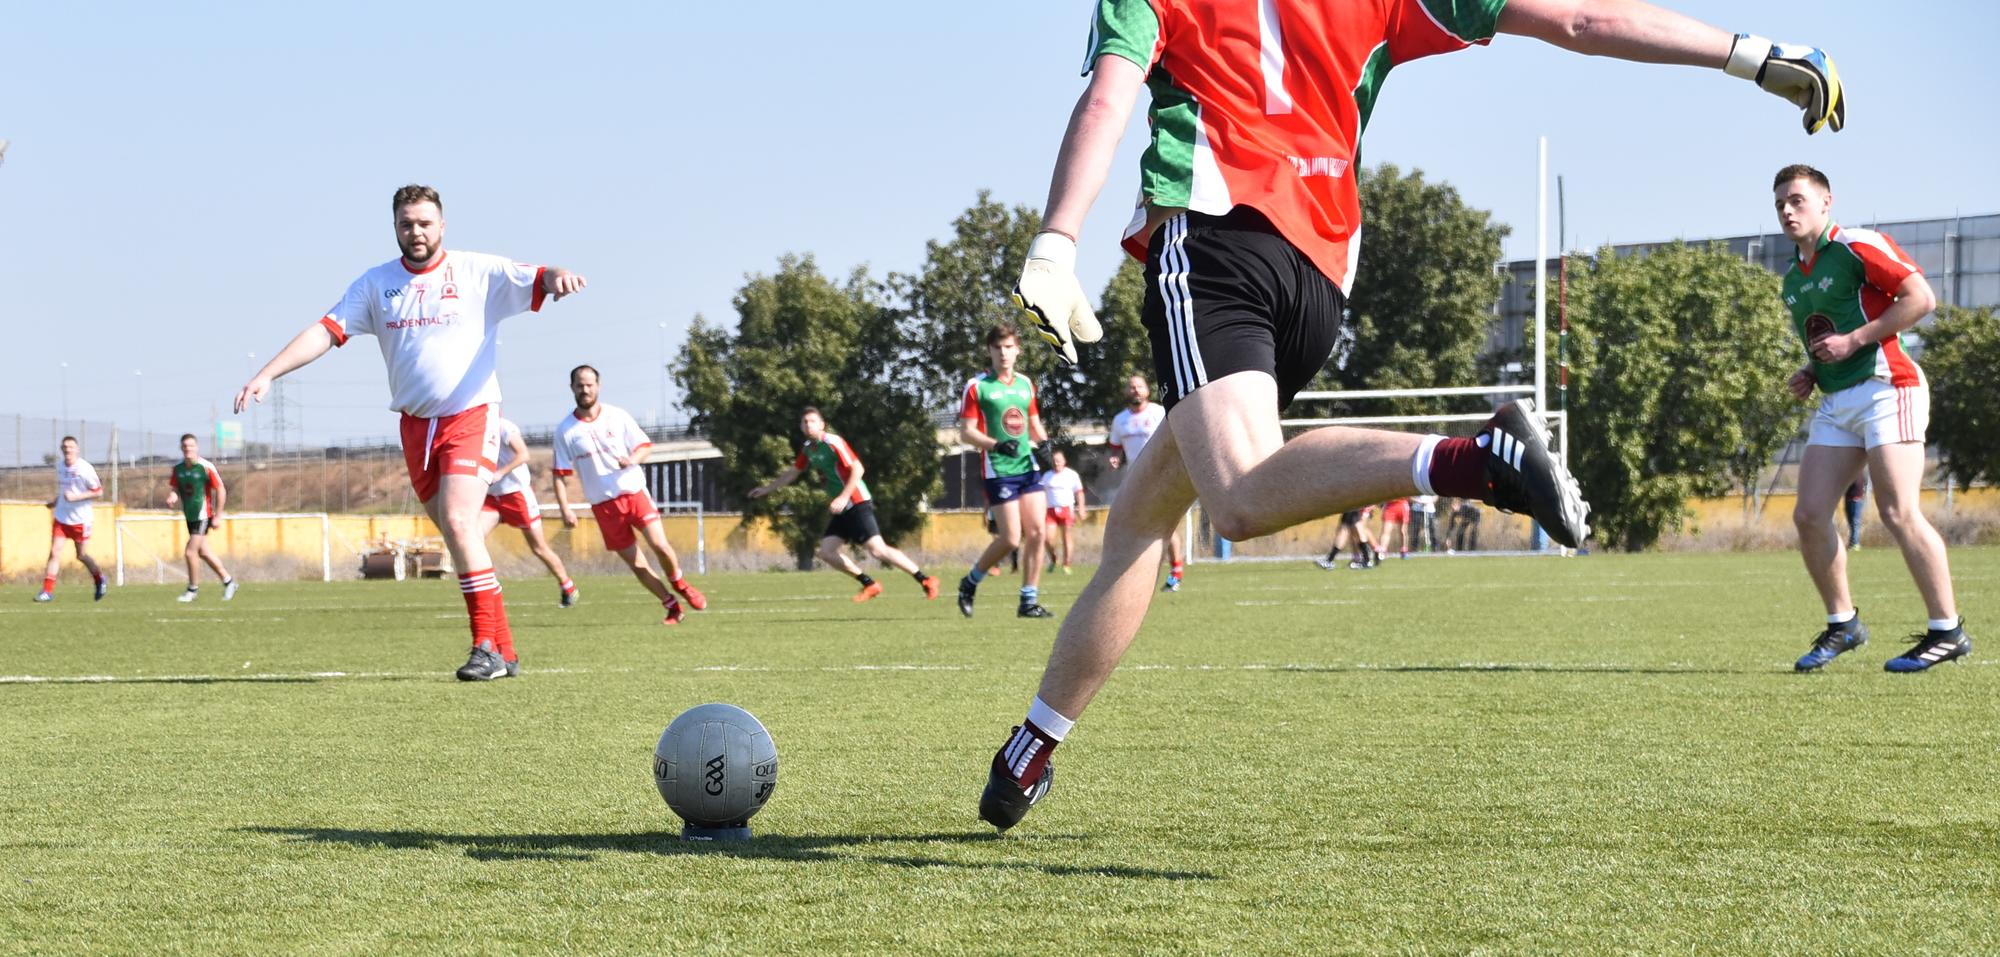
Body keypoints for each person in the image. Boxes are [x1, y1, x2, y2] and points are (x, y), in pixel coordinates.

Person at [981, 0, 1842, 830]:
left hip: (1213, 243)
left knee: (1239, 496)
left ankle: (1475, 460)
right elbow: (1582, 18)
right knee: (1142, 511)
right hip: (1317, 279)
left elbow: (1108, 93)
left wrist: (1058, 240)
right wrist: (1752, 55)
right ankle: (1034, 744)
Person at [234, 184, 587, 681]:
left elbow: (537, 275)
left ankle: (485, 645)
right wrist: (268, 373)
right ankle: (505, 650)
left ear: (442, 225)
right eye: (406, 224)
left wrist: (559, 276)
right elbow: (325, 330)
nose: (416, 232)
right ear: (395, 227)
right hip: (415, 428)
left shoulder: (474, 271)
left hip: (471, 414)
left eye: (424, 223)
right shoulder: (377, 284)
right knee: (458, 535)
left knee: (462, 524)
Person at [1775, 165, 1966, 673]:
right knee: (1809, 514)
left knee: (1898, 511)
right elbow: (1830, 338)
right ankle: (1844, 625)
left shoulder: (1857, 245)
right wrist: (1811, 370)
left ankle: (1947, 630)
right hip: (1838, 403)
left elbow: (1921, 299)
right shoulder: (1794, 279)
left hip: (1889, 388)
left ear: (1826, 202)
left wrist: (1855, 342)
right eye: (1780, 205)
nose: (1788, 211)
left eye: (1797, 200)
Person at [552, 365, 707, 625]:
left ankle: (680, 583)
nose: (585, 389)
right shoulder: (566, 430)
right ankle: (671, 606)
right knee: (637, 565)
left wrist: (631, 459)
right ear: (572, 388)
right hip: (604, 506)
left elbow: (645, 446)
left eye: (589, 384)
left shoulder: (616, 416)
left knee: (660, 545)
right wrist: (565, 508)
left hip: (633, 493)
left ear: (598, 386)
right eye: (580, 385)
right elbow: (559, 473)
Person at [748, 406, 940, 602]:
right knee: (826, 552)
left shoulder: (833, 442)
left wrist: (843, 497)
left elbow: (858, 469)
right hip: (842, 508)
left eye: (812, 421)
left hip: (856, 500)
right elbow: (793, 472)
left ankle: (926, 580)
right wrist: (767, 489)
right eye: (804, 422)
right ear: (800, 426)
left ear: (822, 425)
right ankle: (869, 584)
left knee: (878, 550)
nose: (808, 425)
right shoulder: (808, 448)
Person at [955, 324, 1056, 619]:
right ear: (989, 351)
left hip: (1027, 467)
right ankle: (970, 582)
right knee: (1011, 538)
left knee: (1037, 532)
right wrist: (996, 445)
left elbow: (1034, 422)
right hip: (998, 469)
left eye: (1009, 347)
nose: (1003, 353)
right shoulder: (977, 386)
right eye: (998, 348)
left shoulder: (1025, 384)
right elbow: (966, 433)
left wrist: (1046, 444)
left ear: (1018, 350)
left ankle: (1028, 600)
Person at [482, 416, 578, 608]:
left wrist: (500, 473)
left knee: (538, 547)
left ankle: (567, 586)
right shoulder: (472, 428)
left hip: (516, 494)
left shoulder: (504, 427)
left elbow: (524, 454)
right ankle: (486, 590)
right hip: (491, 497)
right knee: (472, 539)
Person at [1109, 375, 1185, 590]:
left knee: (1164, 523)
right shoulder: (1119, 420)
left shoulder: (1159, 412)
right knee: (1139, 525)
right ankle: (1139, 572)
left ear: (1147, 391)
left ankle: (1175, 572)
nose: (1135, 390)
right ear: (1126, 391)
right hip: (1135, 479)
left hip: (1163, 475)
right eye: (1131, 387)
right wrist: (1115, 458)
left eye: (1139, 386)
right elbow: (1115, 448)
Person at [164, 433, 238, 603]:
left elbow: (220, 489)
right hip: (189, 516)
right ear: (181, 448)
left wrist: (218, 515)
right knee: (203, 552)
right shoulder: (179, 469)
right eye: (185, 446)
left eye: (191, 446)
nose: (188, 449)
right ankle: (229, 582)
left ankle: (192, 590)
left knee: (190, 552)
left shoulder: (205, 467)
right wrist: (173, 497)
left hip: (203, 515)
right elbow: (175, 488)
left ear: (196, 447)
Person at [36, 436, 106, 602]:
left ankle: (99, 579)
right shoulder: (60, 467)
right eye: (65, 447)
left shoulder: (85, 468)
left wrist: (76, 497)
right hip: (61, 517)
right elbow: (65, 491)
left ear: (77, 449)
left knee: (81, 555)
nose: (68, 450)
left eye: (71, 447)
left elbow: (98, 492)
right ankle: (46, 591)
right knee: (54, 552)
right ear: (62, 449)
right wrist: (55, 501)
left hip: (81, 520)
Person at [1040, 449, 1087, 574]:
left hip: (1066, 509)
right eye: (1055, 461)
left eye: (1059, 461)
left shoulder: (1071, 475)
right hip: (1050, 510)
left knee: (1066, 537)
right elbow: (1042, 493)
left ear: (1064, 461)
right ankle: (1053, 558)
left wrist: (1081, 508)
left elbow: (1079, 492)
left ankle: (1067, 564)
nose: (1057, 463)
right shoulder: (1047, 476)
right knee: (1047, 538)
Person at [1843, 476, 1867, 551]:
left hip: (1856, 501)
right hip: (1849, 500)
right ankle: (1852, 543)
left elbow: (1862, 484)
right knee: (1851, 522)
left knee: (1855, 522)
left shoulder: (1859, 475)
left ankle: (1855, 543)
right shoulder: (1851, 474)